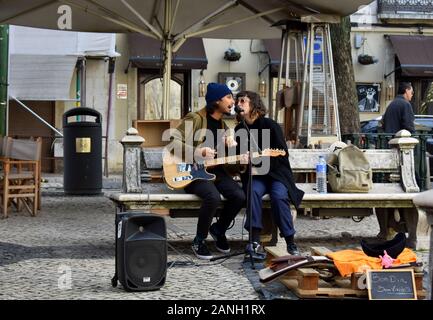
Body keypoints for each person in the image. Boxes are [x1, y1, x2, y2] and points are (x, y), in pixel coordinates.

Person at [169, 82, 246, 260]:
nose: (232, 101)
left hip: (216, 172)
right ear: (216, 101)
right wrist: (198, 152)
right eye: (229, 97)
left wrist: (237, 155)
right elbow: (173, 143)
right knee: (213, 197)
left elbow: (226, 161)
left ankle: (218, 230)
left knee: (239, 196)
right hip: (193, 172)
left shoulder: (223, 126)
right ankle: (199, 240)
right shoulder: (195, 118)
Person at [234, 91, 305, 257]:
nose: (239, 104)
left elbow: (283, 153)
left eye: (243, 101)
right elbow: (237, 162)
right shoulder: (239, 129)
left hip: (276, 175)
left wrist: (263, 159)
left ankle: (290, 240)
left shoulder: (271, 125)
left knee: (279, 195)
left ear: (255, 105)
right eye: (238, 101)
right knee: (252, 191)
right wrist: (242, 161)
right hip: (256, 176)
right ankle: (254, 239)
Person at [377, 82, 416, 242]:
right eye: (412, 92)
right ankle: (407, 232)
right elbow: (408, 127)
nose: (412, 95)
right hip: (400, 156)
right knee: (412, 191)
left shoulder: (392, 104)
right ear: (406, 91)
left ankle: (387, 229)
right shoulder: (405, 105)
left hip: (389, 152)